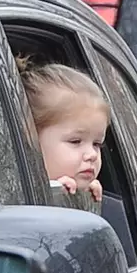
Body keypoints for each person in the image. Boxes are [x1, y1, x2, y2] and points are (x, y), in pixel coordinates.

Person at [16, 56, 110, 202]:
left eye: (97, 144)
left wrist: (84, 200)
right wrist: (51, 196)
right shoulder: (9, 193)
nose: (92, 155)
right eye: (75, 141)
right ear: (30, 139)